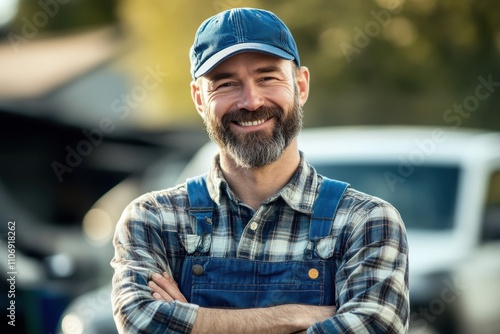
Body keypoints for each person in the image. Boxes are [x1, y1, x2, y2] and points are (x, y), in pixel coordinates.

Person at [111, 7, 409, 334]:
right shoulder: (153, 219)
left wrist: (192, 322)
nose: (251, 101)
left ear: (301, 85)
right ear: (199, 98)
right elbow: (140, 322)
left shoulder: (365, 222)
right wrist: (297, 316)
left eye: (267, 77)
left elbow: (376, 328)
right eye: (226, 83)